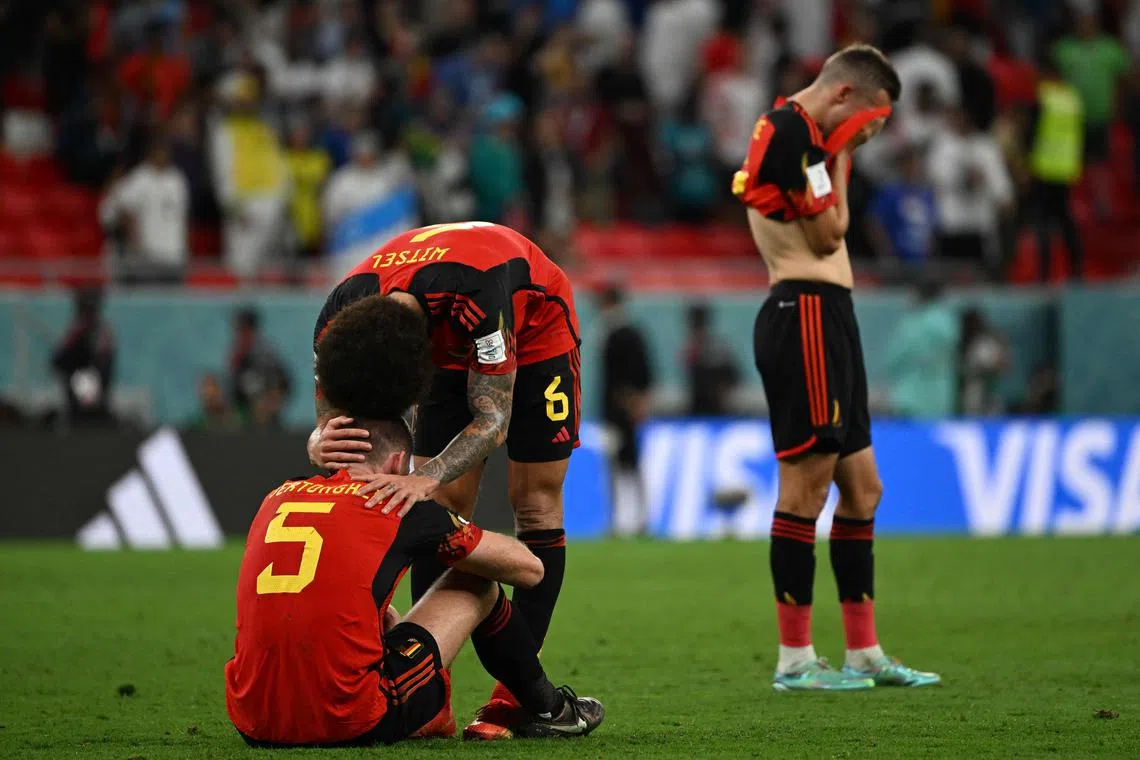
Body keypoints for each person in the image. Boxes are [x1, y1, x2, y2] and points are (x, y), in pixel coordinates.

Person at [226, 298, 603, 746]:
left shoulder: (277, 497)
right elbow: (529, 568)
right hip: (350, 719)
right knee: (477, 584)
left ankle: (442, 706)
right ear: (399, 461)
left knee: (369, 605)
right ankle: (548, 706)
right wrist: (451, 527)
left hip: (252, 719)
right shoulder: (396, 504)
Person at [309, 221, 581, 739]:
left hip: (536, 325)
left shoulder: (480, 292)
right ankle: (430, 698)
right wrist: (317, 442)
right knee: (447, 507)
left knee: (536, 501)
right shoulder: (338, 319)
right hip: (443, 326)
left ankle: (514, 702)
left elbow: (492, 421)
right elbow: (328, 426)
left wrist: (424, 474)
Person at [733, 44, 940, 691]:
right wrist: (840, 156)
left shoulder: (808, 144)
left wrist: (838, 161)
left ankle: (864, 652)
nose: (867, 141)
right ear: (846, 98)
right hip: (805, 315)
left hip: (831, 315)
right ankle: (795, 660)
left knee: (863, 489)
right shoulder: (794, 133)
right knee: (807, 489)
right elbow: (829, 236)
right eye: (868, 128)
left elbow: (834, 227)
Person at [598, 285, 654, 537]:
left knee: (623, 464)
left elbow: (624, 376)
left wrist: (632, 401)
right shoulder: (627, 332)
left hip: (618, 410)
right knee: (628, 463)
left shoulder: (617, 334)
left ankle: (628, 519)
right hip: (622, 409)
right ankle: (636, 517)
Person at [1024, 53, 1084, 281]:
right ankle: (1076, 270)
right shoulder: (1072, 99)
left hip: (1044, 167)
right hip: (1066, 168)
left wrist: (1028, 165)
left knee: (1043, 223)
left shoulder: (1043, 97)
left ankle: (1044, 273)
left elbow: (1033, 134)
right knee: (1066, 221)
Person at [99, 136, 190, 284]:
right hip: (149, 255)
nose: (163, 154)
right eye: (159, 150)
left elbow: (182, 217)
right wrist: (135, 239)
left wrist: (186, 250)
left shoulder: (177, 178)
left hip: (174, 254)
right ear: (151, 152)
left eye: (165, 150)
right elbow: (123, 208)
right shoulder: (140, 177)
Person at [885, 280, 959, 418]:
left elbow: (896, 358)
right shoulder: (949, 322)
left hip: (912, 396)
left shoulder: (913, 325)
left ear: (919, 295)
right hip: (941, 396)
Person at [52, 288, 116, 427]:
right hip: (79, 376)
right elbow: (59, 358)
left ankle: (92, 413)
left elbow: (105, 357)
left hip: (93, 377)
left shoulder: (100, 330)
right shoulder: (77, 330)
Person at [228, 307, 292, 428]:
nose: (241, 335)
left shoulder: (267, 356)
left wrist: (270, 403)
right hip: (245, 420)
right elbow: (235, 391)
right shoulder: (237, 356)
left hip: (269, 423)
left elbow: (284, 385)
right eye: (239, 331)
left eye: (245, 331)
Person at [681, 303, 739, 416]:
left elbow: (733, 376)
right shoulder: (693, 346)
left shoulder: (711, 346)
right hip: (701, 405)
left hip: (715, 406)